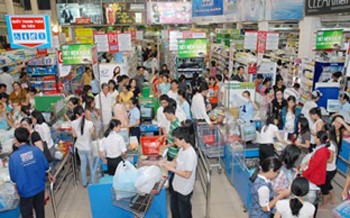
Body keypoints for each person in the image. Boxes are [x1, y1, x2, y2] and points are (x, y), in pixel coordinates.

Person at [9, 127, 54, 218]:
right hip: (39, 187)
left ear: (16, 140)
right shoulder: (36, 150)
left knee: (27, 214)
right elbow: (46, 166)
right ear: (28, 137)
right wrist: (49, 175)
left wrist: (17, 189)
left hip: (25, 191)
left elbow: (13, 178)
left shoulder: (13, 157)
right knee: (40, 211)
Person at [159, 126, 197, 218]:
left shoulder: (190, 154)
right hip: (176, 185)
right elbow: (174, 163)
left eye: (176, 140)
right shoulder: (181, 149)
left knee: (184, 213)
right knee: (175, 211)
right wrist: (165, 163)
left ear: (183, 140)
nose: (174, 143)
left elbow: (187, 174)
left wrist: (170, 169)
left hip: (184, 189)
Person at [71, 106, 95, 187]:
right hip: (88, 146)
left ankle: (84, 183)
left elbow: (74, 135)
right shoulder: (90, 123)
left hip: (80, 147)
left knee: (83, 165)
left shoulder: (73, 123)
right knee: (91, 164)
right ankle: (93, 181)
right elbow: (92, 134)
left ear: (76, 115)